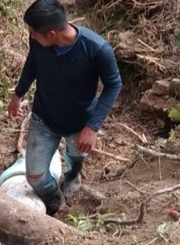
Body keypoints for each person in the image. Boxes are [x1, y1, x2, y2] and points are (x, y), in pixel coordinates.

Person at [7, 0, 122, 215]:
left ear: (51, 34)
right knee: (35, 176)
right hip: (44, 117)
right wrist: (17, 94)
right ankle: (55, 200)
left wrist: (92, 127)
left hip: (80, 121)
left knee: (77, 157)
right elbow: (32, 64)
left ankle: (72, 176)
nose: (31, 35)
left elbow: (114, 84)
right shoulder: (39, 42)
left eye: (33, 32)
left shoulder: (97, 49)